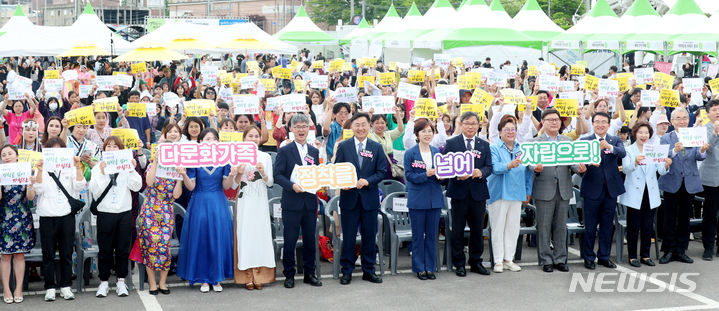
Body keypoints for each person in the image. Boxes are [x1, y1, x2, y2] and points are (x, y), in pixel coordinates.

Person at [176, 128, 236, 292]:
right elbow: (191, 186)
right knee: (202, 239)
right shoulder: (194, 160)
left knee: (217, 238)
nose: (210, 142)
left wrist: (232, 175)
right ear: (200, 142)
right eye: (207, 139)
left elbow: (226, 186)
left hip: (218, 202)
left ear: (219, 142)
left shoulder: (224, 160)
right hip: (200, 202)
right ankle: (203, 278)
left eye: (214, 139)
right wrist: (184, 175)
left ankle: (216, 279)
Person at [334, 112, 387, 285]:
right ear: (352, 127)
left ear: (369, 126)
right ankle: (347, 271)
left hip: (369, 199)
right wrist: (344, 183)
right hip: (349, 199)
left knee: (369, 237)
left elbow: (381, 172)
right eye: (357, 125)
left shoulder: (376, 147)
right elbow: (337, 170)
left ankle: (369, 270)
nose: (361, 128)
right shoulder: (344, 146)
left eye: (364, 124)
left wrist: (367, 181)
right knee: (348, 237)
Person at [529, 108, 584, 273]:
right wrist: (535, 168)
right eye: (550, 119)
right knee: (544, 226)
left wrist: (580, 168)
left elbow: (573, 163)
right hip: (544, 188)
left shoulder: (567, 141)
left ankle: (561, 259)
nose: (554, 122)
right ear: (543, 123)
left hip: (564, 189)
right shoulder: (535, 142)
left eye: (557, 120)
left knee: (561, 226)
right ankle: (546, 259)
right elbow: (530, 164)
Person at [273, 114, 323, 288]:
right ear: (291, 129)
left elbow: (317, 174)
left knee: (310, 239)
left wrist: (320, 182)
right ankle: (289, 274)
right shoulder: (285, 151)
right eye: (298, 127)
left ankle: (310, 273)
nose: (301, 130)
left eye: (304, 126)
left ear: (309, 129)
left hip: (310, 202)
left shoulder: (314, 151)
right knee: (290, 239)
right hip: (291, 202)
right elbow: (277, 175)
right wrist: (292, 185)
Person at [33, 137, 85, 301]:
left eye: (59, 150)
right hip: (47, 215)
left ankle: (65, 286)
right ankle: (49, 287)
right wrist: (40, 170)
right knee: (47, 253)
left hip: (66, 215)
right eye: (52, 150)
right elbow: (38, 189)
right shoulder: (41, 167)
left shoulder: (69, 167)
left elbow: (79, 186)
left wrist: (77, 167)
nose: (56, 154)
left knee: (66, 252)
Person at [443, 111, 493, 276]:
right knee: (457, 229)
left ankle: (476, 262)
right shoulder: (451, 143)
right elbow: (445, 167)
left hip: (478, 194)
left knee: (477, 230)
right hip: (458, 193)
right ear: (461, 124)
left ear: (478, 125)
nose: (471, 126)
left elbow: (489, 167)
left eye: (474, 123)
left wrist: (479, 171)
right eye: (467, 123)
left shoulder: (484, 144)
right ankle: (459, 264)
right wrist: (457, 173)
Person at [659, 107, 709, 264]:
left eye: (684, 118)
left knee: (684, 218)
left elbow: (699, 157)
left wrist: (702, 150)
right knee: (669, 218)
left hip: (689, 182)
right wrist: (674, 150)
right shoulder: (666, 138)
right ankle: (668, 250)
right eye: (678, 118)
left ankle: (681, 250)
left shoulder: (694, 135)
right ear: (672, 121)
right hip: (672, 181)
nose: (682, 121)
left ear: (689, 120)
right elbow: (662, 157)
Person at [619, 122, 671, 267]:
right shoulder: (628, 150)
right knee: (633, 225)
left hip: (650, 191)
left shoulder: (654, 149)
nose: (643, 135)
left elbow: (660, 170)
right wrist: (635, 162)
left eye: (646, 133)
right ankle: (632, 255)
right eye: (640, 132)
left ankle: (646, 255)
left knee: (648, 225)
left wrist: (666, 164)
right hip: (635, 192)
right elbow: (626, 170)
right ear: (635, 134)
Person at [138, 131, 183, 296]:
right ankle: (152, 284)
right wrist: (156, 160)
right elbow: (149, 182)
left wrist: (179, 175)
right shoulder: (152, 166)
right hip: (150, 210)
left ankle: (163, 283)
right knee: (150, 247)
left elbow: (176, 195)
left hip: (166, 212)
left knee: (164, 247)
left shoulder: (175, 170)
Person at [487, 115, 533, 273]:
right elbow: (494, 167)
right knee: (498, 227)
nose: (510, 132)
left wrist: (528, 191)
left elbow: (528, 172)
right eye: (507, 129)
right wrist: (509, 165)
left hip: (517, 191)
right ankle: (498, 260)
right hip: (499, 192)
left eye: (513, 129)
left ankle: (509, 259)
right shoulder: (494, 148)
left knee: (513, 228)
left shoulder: (521, 148)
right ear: (500, 132)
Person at [580, 112, 626, 270]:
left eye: (604, 122)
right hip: (592, 188)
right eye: (597, 122)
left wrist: (609, 147)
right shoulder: (585, 141)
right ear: (592, 124)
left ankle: (604, 256)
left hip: (610, 190)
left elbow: (623, 153)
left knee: (607, 225)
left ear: (608, 124)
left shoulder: (615, 140)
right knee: (590, 226)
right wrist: (584, 164)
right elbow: (579, 161)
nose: (600, 125)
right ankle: (588, 257)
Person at [232, 126, 275, 290]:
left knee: (260, 235)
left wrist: (263, 173)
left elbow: (270, 182)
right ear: (243, 138)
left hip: (260, 200)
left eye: (256, 136)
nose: (253, 138)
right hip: (244, 200)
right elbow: (235, 184)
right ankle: (246, 276)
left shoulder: (265, 157)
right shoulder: (237, 155)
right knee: (245, 235)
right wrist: (238, 172)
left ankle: (260, 275)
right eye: (250, 136)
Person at [403, 118, 443, 280]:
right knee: (418, 235)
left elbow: (444, 175)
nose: (427, 134)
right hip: (418, 199)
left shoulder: (437, 152)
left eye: (430, 131)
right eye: (424, 131)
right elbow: (409, 176)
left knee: (433, 235)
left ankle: (430, 267)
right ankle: (419, 267)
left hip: (434, 198)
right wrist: (425, 174)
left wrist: (442, 177)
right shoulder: (410, 153)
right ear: (417, 134)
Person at [0, 145, 35, 303]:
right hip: (4, 218)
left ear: (17, 156)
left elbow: (31, 197)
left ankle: (18, 288)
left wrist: (31, 184)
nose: (7, 157)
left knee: (20, 255)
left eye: (10, 154)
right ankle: (6, 290)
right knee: (5, 256)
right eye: (3, 155)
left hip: (22, 217)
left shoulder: (25, 172)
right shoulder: (1, 174)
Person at [700, 100, 719, 260]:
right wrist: (715, 133)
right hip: (710, 177)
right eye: (714, 109)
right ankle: (708, 247)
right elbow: (707, 148)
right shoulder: (704, 129)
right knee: (710, 213)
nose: (717, 112)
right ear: (708, 113)